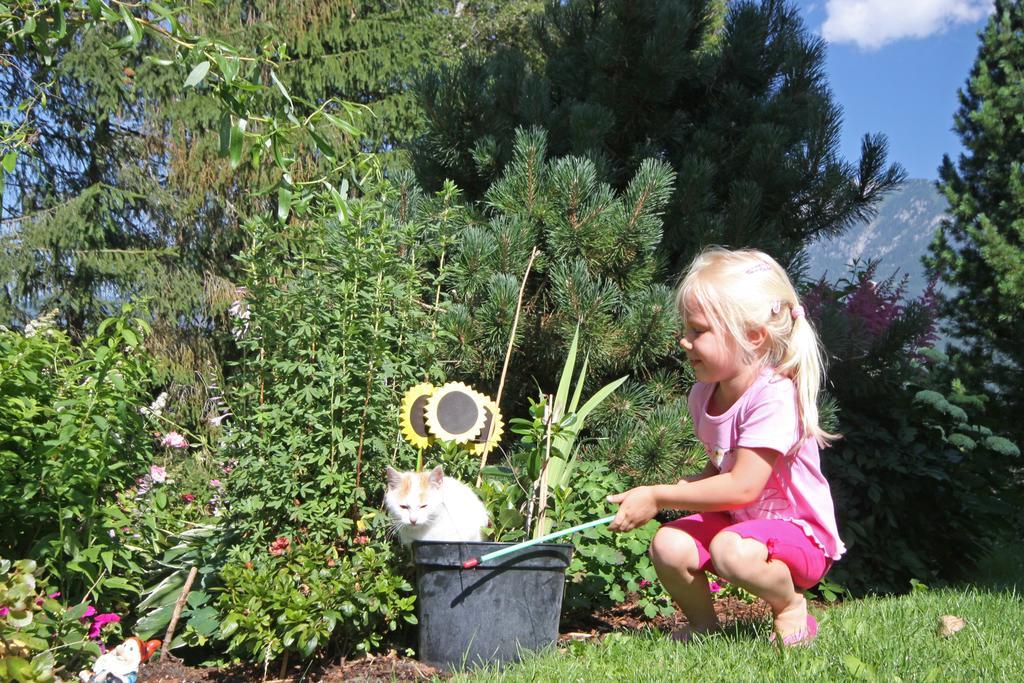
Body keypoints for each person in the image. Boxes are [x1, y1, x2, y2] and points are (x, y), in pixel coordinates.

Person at [607, 247, 845, 647]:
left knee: (730, 550)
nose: (684, 341)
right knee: (668, 544)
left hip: (799, 536)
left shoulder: (773, 397)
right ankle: (704, 625)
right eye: (685, 328)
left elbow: (743, 488)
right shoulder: (704, 396)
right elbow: (724, 472)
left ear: (752, 336)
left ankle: (790, 608)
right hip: (741, 526)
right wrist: (686, 487)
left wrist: (661, 495)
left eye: (698, 331)